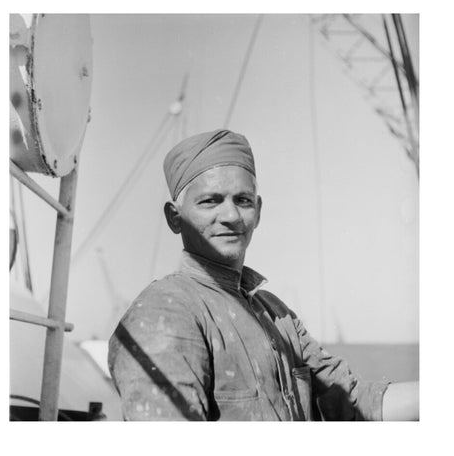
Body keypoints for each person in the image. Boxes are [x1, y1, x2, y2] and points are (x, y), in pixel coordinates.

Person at [108, 129, 418, 421]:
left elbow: (353, 401)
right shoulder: (167, 310)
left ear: (257, 211)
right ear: (175, 218)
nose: (230, 216)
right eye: (210, 201)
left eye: (242, 201)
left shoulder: (275, 314)